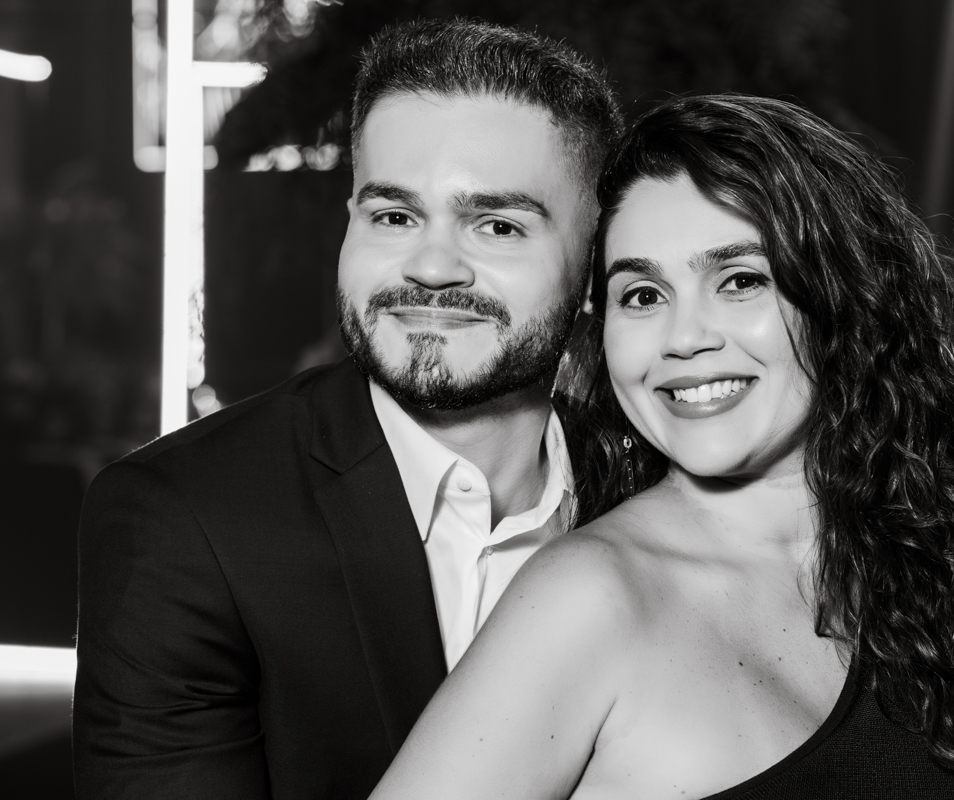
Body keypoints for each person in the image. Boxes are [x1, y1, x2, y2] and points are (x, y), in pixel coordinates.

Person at [369, 95, 954, 800]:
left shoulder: (944, 558)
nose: (685, 338)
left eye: (739, 280)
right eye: (643, 295)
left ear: (843, 297)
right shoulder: (588, 600)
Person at [72, 19, 622, 800]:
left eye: (497, 225)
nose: (431, 267)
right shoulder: (185, 519)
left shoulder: (660, 494)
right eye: (394, 216)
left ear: (595, 266)